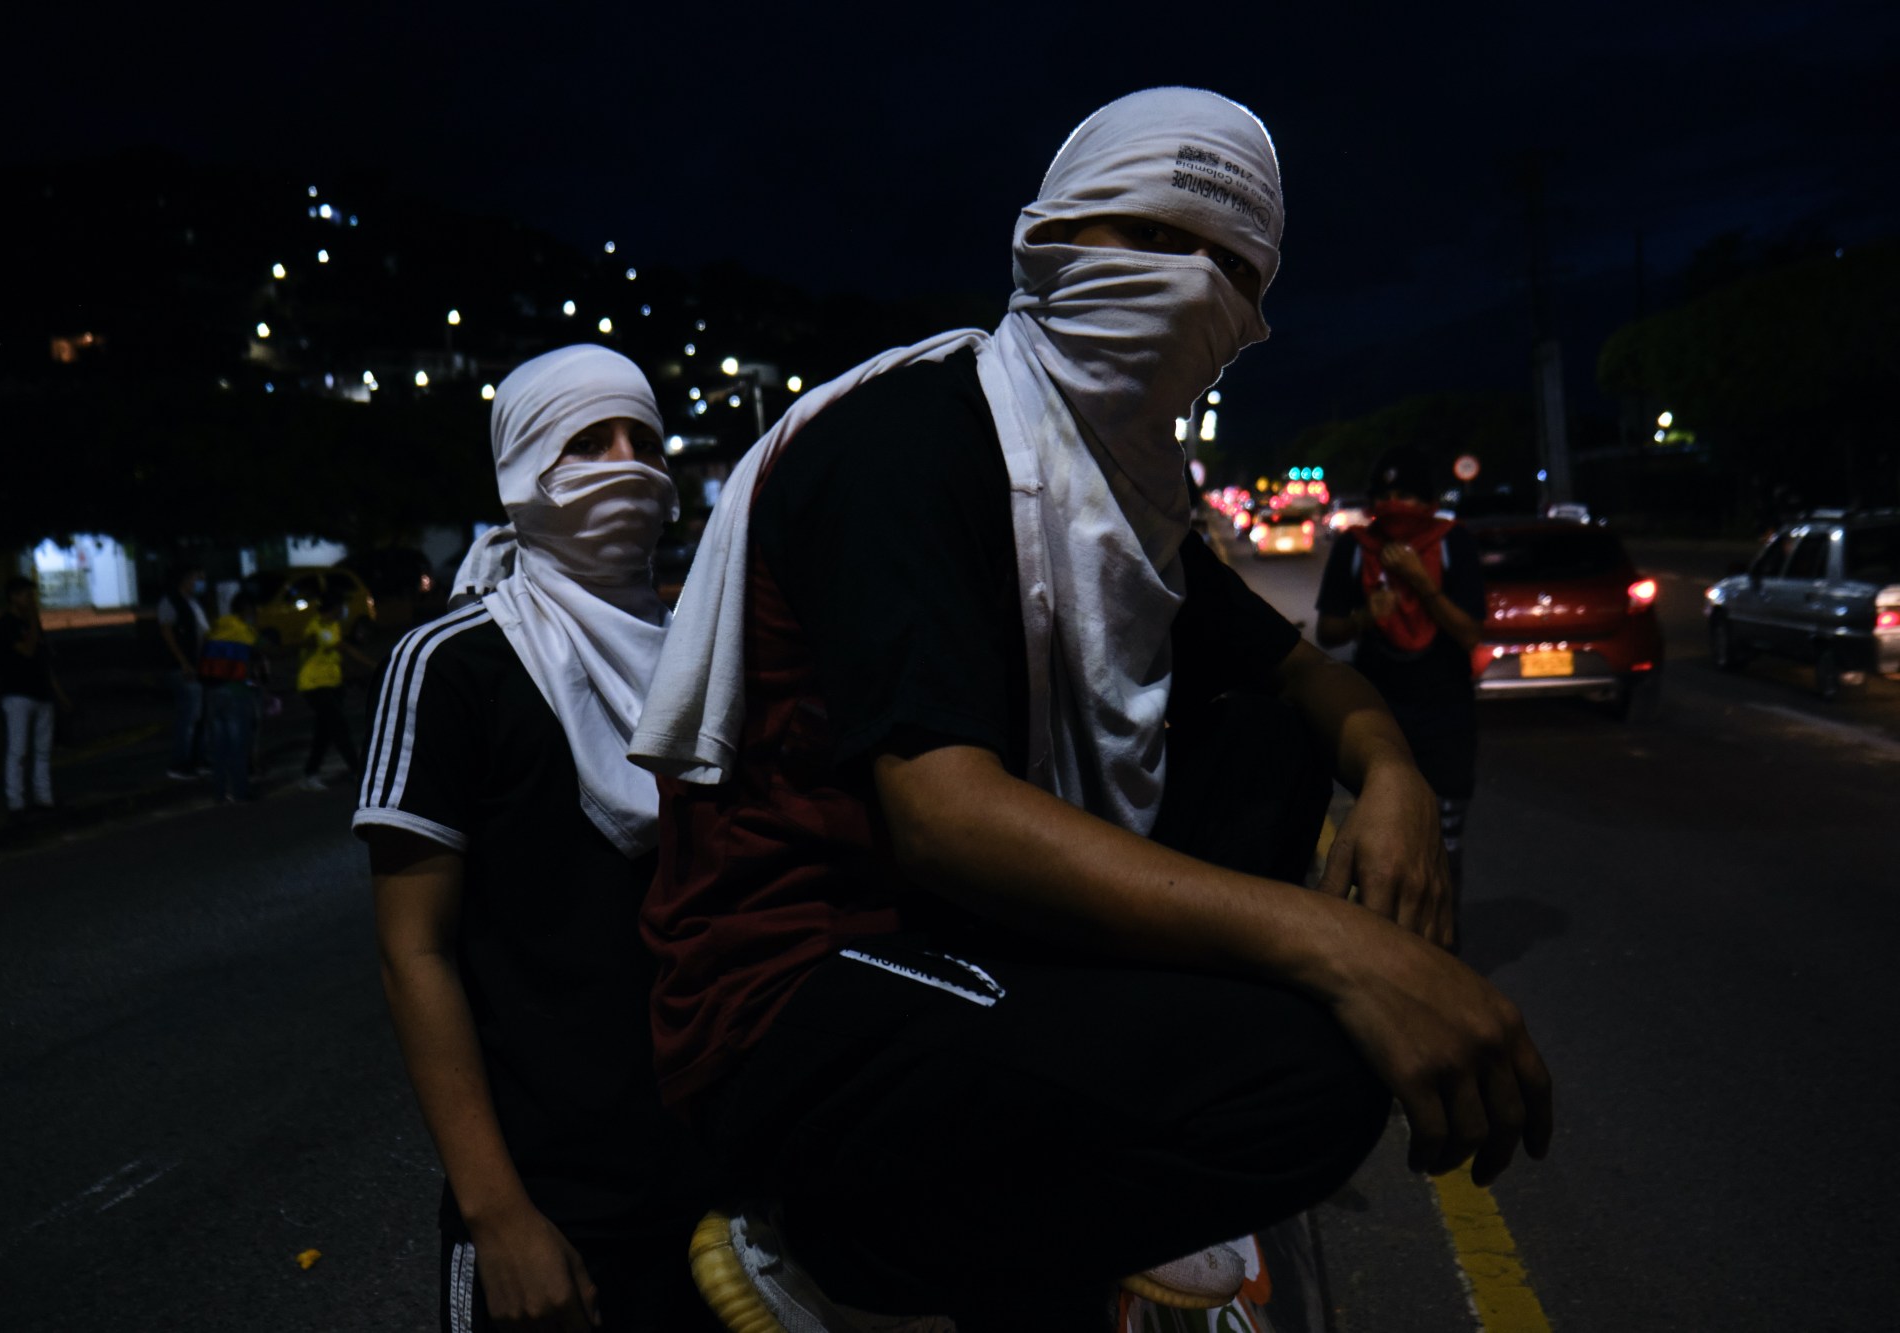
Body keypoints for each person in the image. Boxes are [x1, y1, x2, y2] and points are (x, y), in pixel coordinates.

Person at [630, 87, 1551, 1329]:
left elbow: (1304, 679)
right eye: (1152, 237)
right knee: (1310, 1076)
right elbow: (945, 818)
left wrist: (1390, 774)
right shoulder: (910, 440)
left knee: (1273, 740)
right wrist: (1338, 943)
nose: (1189, 284)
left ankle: (1034, 1217)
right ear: (1050, 236)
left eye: (1230, 264)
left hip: (969, 934)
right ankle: (830, 1249)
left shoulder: (1128, 496)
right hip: (804, 983)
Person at [355, 346, 715, 1333]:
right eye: (587, 442)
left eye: (642, 440)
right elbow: (411, 949)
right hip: (551, 1204)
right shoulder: (452, 662)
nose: (626, 464)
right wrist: (498, 1211)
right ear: (522, 466)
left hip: (718, 1196)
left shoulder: (705, 653)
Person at [1316, 446, 1485, 949]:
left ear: (1429, 500)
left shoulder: (1453, 544)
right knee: (1383, 847)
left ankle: (1442, 952)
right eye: (1384, 496)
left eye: (1406, 495)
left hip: (1445, 715)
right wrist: (1367, 617)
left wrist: (1418, 583)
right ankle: (1389, 952)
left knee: (1445, 846)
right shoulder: (1354, 547)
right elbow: (1328, 630)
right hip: (1379, 716)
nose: (1394, 505)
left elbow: (1470, 632)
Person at [0, 577, 69, 817]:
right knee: (18, 751)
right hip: (17, 694)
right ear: (13, 597)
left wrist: (58, 694)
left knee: (42, 750)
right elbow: (27, 650)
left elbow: (44, 660)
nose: (31, 600)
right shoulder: (5, 624)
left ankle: (43, 797)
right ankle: (16, 802)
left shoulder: (31, 623)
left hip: (41, 693)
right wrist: (34, 624)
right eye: (27, 595)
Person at [294, 587, 375, 791]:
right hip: (314, 686)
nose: (345, 609)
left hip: (332, 684)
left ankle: (310, 774)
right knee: (339, 728)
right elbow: (345, 649)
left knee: (324, 732)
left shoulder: (333, 625)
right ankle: (358, 772)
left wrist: (355, 675)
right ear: (335, 607)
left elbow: (340, 656)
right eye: (342, 605)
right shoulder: (316, 627)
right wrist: (374, 665)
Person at [198, 593, 263, 802]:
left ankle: (219, 792)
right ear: (247, 611)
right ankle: (240, 791)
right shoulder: (244, 631)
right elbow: (262, 650)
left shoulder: (217, 627)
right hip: (235, 692)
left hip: (212, 691)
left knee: (218, 747)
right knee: (238, 745)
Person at [157, 566, 211, 779]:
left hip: (198, 666)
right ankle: (180, 764)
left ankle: (198, 760)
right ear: (185, 579)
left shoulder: (193, 603)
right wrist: (183, 662)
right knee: (189, 716)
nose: (200, 582)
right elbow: (167, 633)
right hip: (184, 668)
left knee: (200, 715)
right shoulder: (171, 602)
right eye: (197, 578)